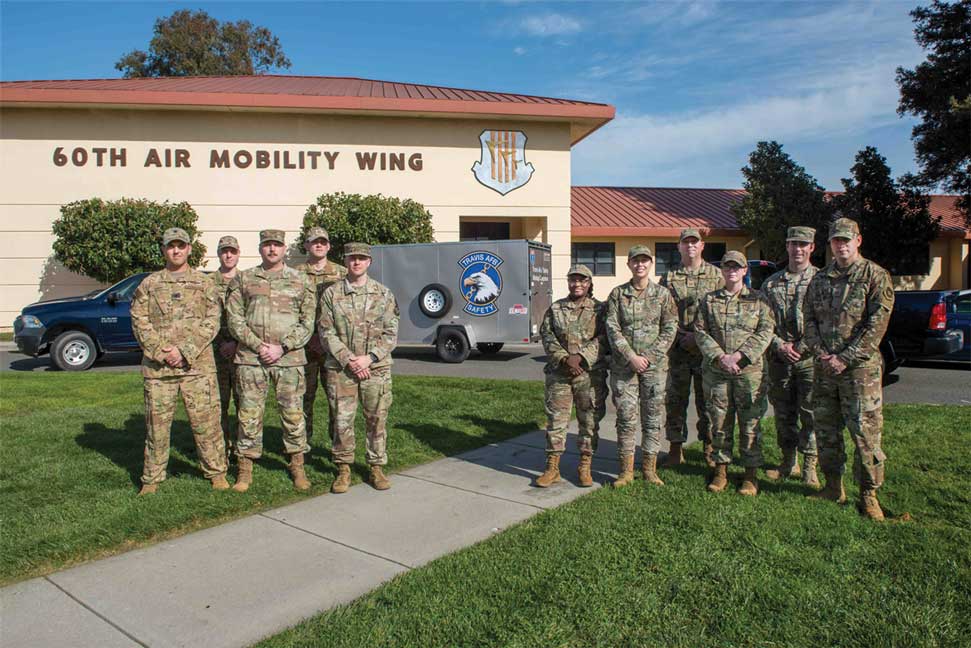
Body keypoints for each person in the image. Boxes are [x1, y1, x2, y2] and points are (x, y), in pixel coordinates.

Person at [803, 217, 894, 520]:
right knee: (826, 430)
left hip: (860, 372)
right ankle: (833, 486)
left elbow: (876, 325)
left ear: (858, 240)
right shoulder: (820, 279)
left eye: (846, 239)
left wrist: (844, 358)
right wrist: (822, 355)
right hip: (824, 369)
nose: (841, 245)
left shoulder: (875, 276)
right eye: (836, 240)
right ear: (829, 243)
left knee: (865, 435)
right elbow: (808, 321)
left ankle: (868, 494)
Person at [130, 227, 228, 494]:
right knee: (157, 427)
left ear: (189, 249)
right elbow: (139, 320)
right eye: (171, 246)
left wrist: (184, 351)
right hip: (159, 370)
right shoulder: (149, 284)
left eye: (181, 245)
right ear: (163, 250)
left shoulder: (204, 283)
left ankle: (216, 472)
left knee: (207, 423)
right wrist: (162, 351)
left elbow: (213, 320)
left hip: (197, 368)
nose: (176, 250)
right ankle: (151, 478)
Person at [226, 229, 315, 493]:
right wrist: (258, 345)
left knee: (293, 414)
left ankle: (297, 466)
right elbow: (234, 318)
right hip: (251, 359)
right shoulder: (244, 279)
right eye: (267, 245)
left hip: (289, 359)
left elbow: (307, 322)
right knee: (248, 415)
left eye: (277, 245)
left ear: (284, 248)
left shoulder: (300, 280)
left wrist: (282, 347)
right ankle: (245, 469)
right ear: (260, 248)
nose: (272, 249)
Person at [318, 242, 399, 494]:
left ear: (369, 262)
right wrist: (350, 359)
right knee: (342, 420)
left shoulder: (383, 294)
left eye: (361, 258)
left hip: (375, 369)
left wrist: (369, 358)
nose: (356, 262)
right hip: (342, 369)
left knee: (377, 418)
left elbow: (391, 333)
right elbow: (326, 331)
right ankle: (343, 468)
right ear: (345, 261)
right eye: (352, 258)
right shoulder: (332, 294)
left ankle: (376, 467)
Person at [694, 251, 774, 496]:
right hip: (717, 372)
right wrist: (721, 357)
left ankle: (750, 475)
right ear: (722, 270)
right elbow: (700, 331)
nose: (732, 271)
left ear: (744, 271)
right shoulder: (709, 300)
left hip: (749, 372)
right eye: (728, 267)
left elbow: (765, 331)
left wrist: (739, 356)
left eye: (737, 267)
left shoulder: (759, 300)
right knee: (719, 423)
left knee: (750, 424)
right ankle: (721, 471)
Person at [605, 245, 679, 487]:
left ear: (651, 264)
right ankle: (626, 471)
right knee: (626, 418)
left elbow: (670, 327)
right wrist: (631, 357)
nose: (640, 265)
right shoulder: (618, 294)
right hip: (624, 368)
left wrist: (648, 356)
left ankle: (649, 469)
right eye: (635, 261)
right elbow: (612, 327)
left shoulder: (663, 295)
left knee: (652, 419)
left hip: (654, 368)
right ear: (629, 264)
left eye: (644, 260)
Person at [535, 264, 608, 488]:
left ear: (589, 283)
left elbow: (605, 337)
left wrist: (582, 358)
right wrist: (565, 358)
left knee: (589, 421)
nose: (577, 284)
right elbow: (547, 335)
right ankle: (552, 467)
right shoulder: (556, 308)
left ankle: (585, 466)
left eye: (582, 280)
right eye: (573, 280)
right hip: (560, 374)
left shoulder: (600, 309)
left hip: (589, 375)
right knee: (556, 420)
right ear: (568, 282)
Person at [660, 228, 725, 468]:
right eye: (685, 242)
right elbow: (663, 313)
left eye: (694, 242)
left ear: (702, 246)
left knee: (707, 402)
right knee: (675, 401)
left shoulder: (716, 276)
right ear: (679, 247)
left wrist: (698, 339)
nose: (690, 246)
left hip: (705, 351)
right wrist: (680, 335)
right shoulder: (669, 278)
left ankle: (709, 447)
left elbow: (720, 313)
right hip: (678, 350)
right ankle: (675, 449)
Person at [761, 226, 820, 486]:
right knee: (783, 413)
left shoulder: (821, 280)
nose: (798, 249)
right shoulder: (771, 283)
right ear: (787, 246)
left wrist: (801, 347)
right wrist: (779, 345)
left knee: (810, 412)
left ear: (812, 248)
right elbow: (763, 322)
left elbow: (825, 322)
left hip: (809, 359)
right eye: (793, 244)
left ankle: (810, 467)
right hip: (779, 359)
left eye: (803, 244)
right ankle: (788, 462)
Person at [296, 226, 347, 447]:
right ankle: (301, 445)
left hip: (332, 349)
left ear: (328, 246)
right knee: (302, 399)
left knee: (337, 399)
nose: (319, 245)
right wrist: (309, 337)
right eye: (314, 241)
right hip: (303, 348)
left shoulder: (342, 273)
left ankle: (338, 447)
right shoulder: (294, 274)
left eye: (323, 242)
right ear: (306, 245)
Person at [211, 235, 241, 458]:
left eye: (232, 251)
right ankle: (221, 449)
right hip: (215, 353)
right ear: (218, 254)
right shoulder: (207, 283)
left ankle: (242, 449)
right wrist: (221, 343)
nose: (228, 255)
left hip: (241, 351)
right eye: (224, 251)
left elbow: (253, 317)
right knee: (217, 404)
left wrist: (237, 342)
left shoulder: (248, 280)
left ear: (238, 253)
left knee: (244, 404)